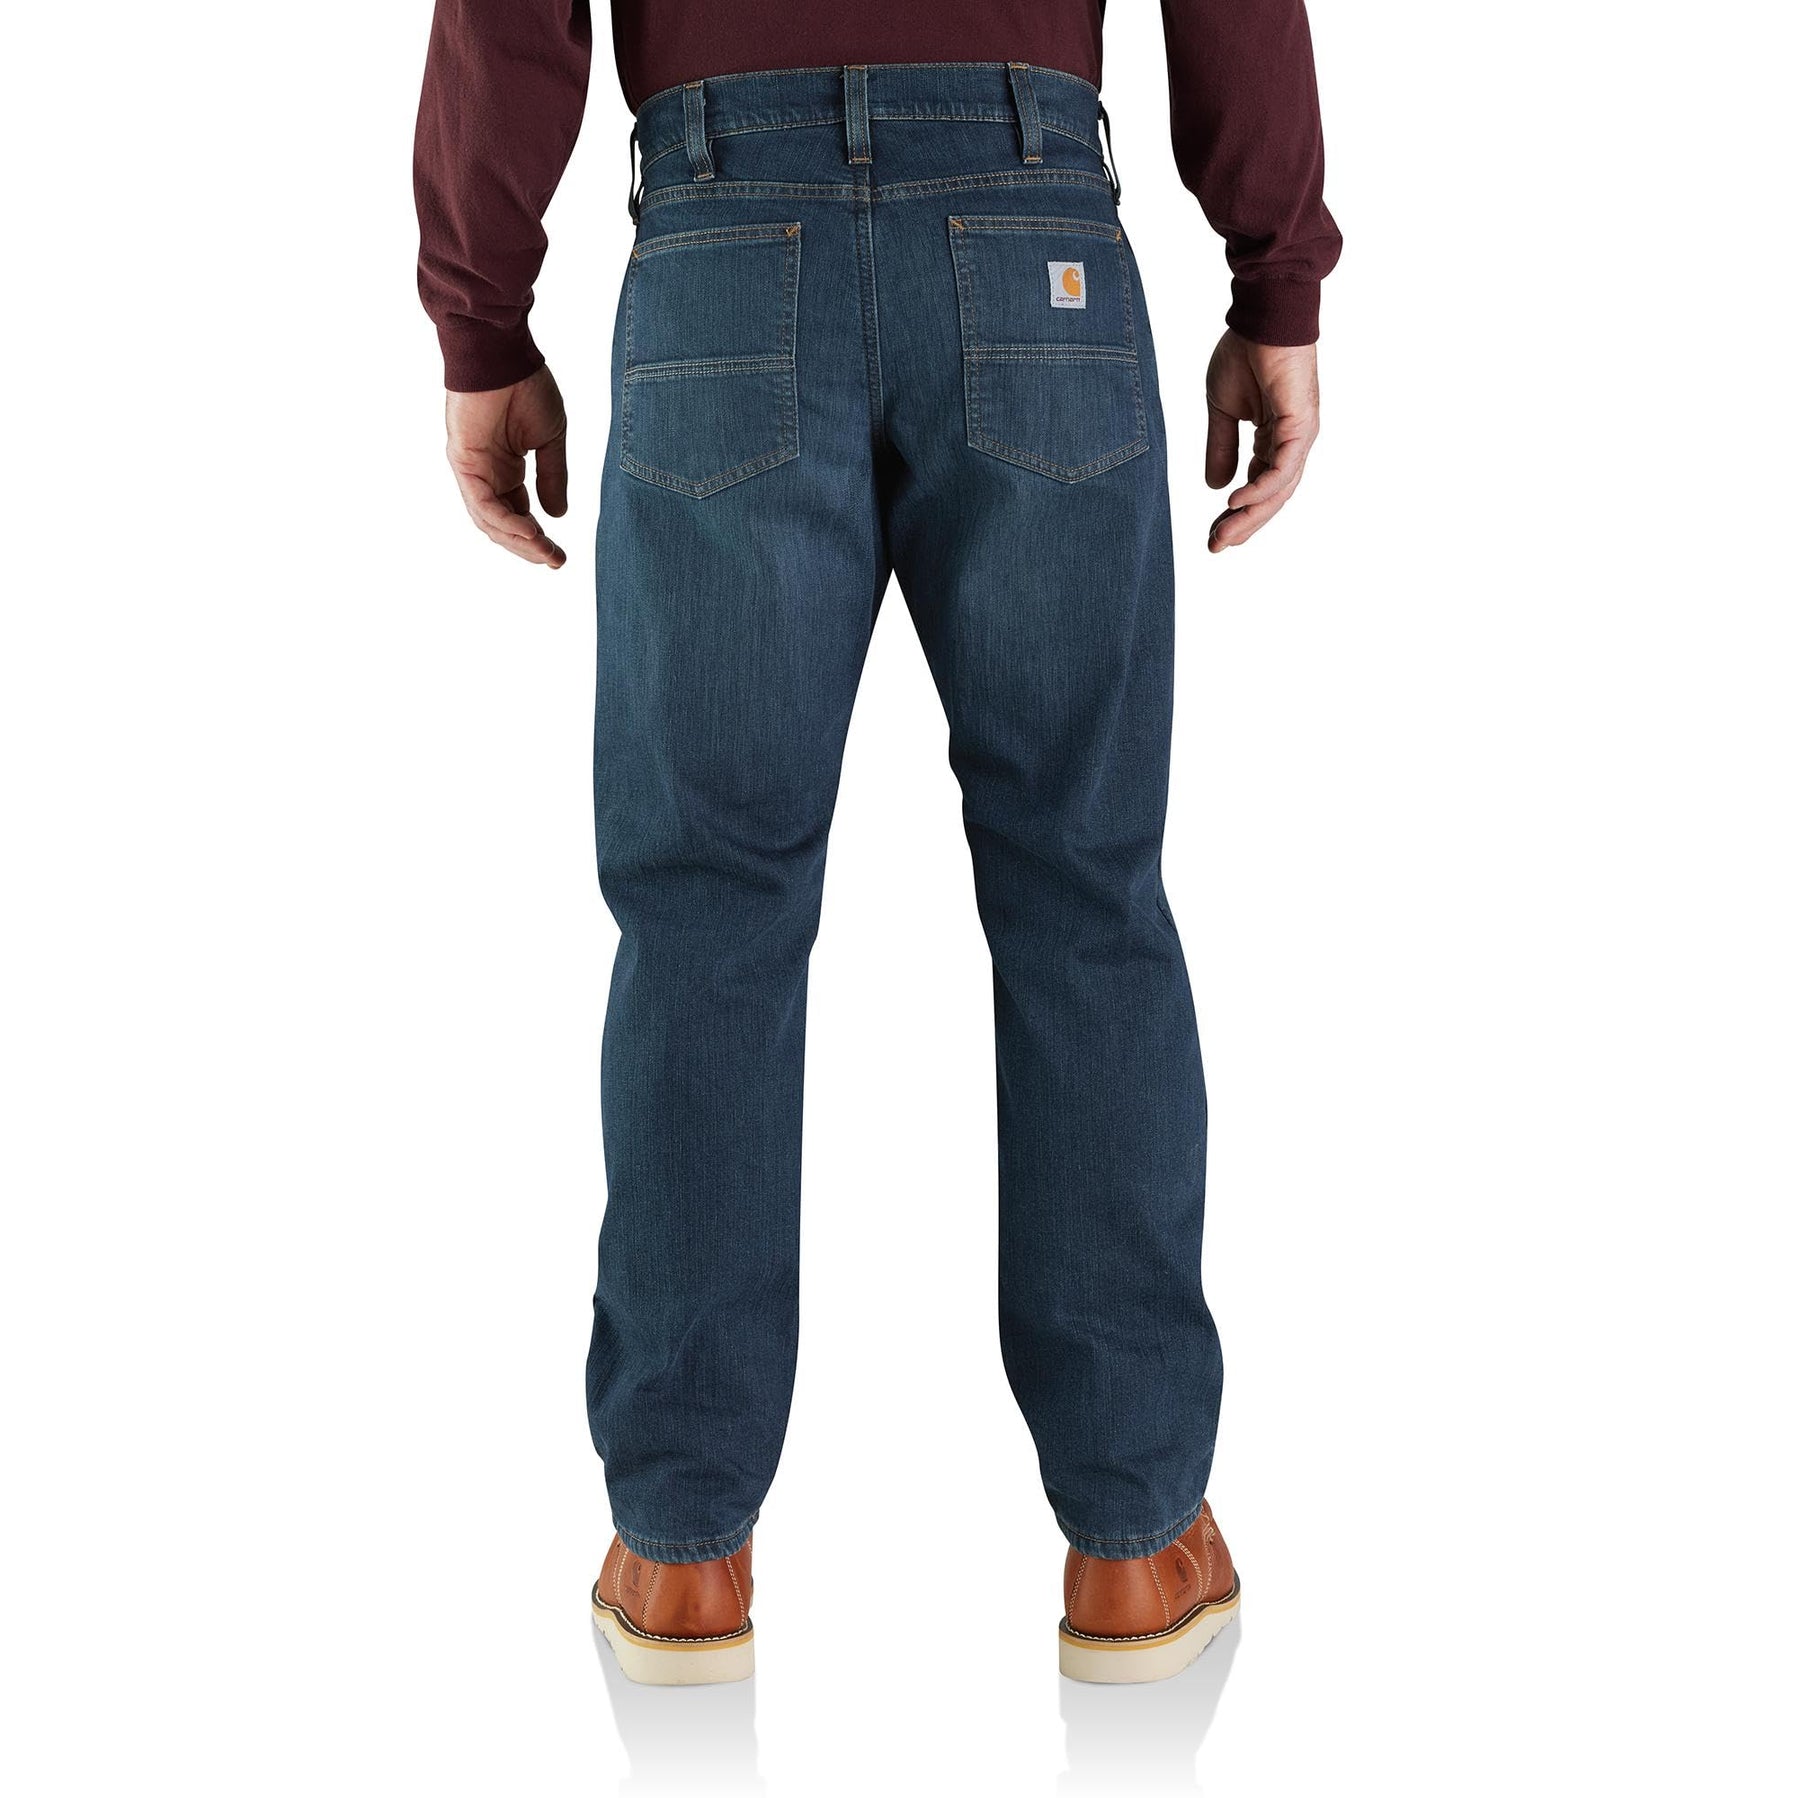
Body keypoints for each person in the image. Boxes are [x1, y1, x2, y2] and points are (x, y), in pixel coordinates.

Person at [415, 3, 1338, 1686]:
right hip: (1029, 228)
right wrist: (1274, 278)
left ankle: (678, 1548)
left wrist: (481, 317)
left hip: (722, 248)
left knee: (706, 913)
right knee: (1084, 891)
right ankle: (1135, 1540)